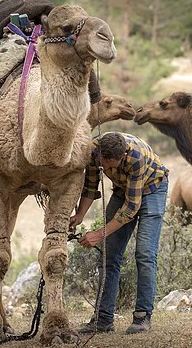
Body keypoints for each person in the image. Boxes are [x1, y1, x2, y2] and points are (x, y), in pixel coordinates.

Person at [69, 132, 169, 334]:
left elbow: (131, 208)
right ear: (102, 157)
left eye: (116, 163)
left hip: (153, 189)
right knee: (109, 254)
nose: (111, 167)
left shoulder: (135, 157)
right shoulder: (92, 152)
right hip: (124, 189)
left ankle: (142, 317)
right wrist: (79, 216)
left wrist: (98, 234)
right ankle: (103, 319)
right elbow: (90, 186)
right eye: (109, 165)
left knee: (145, 254)